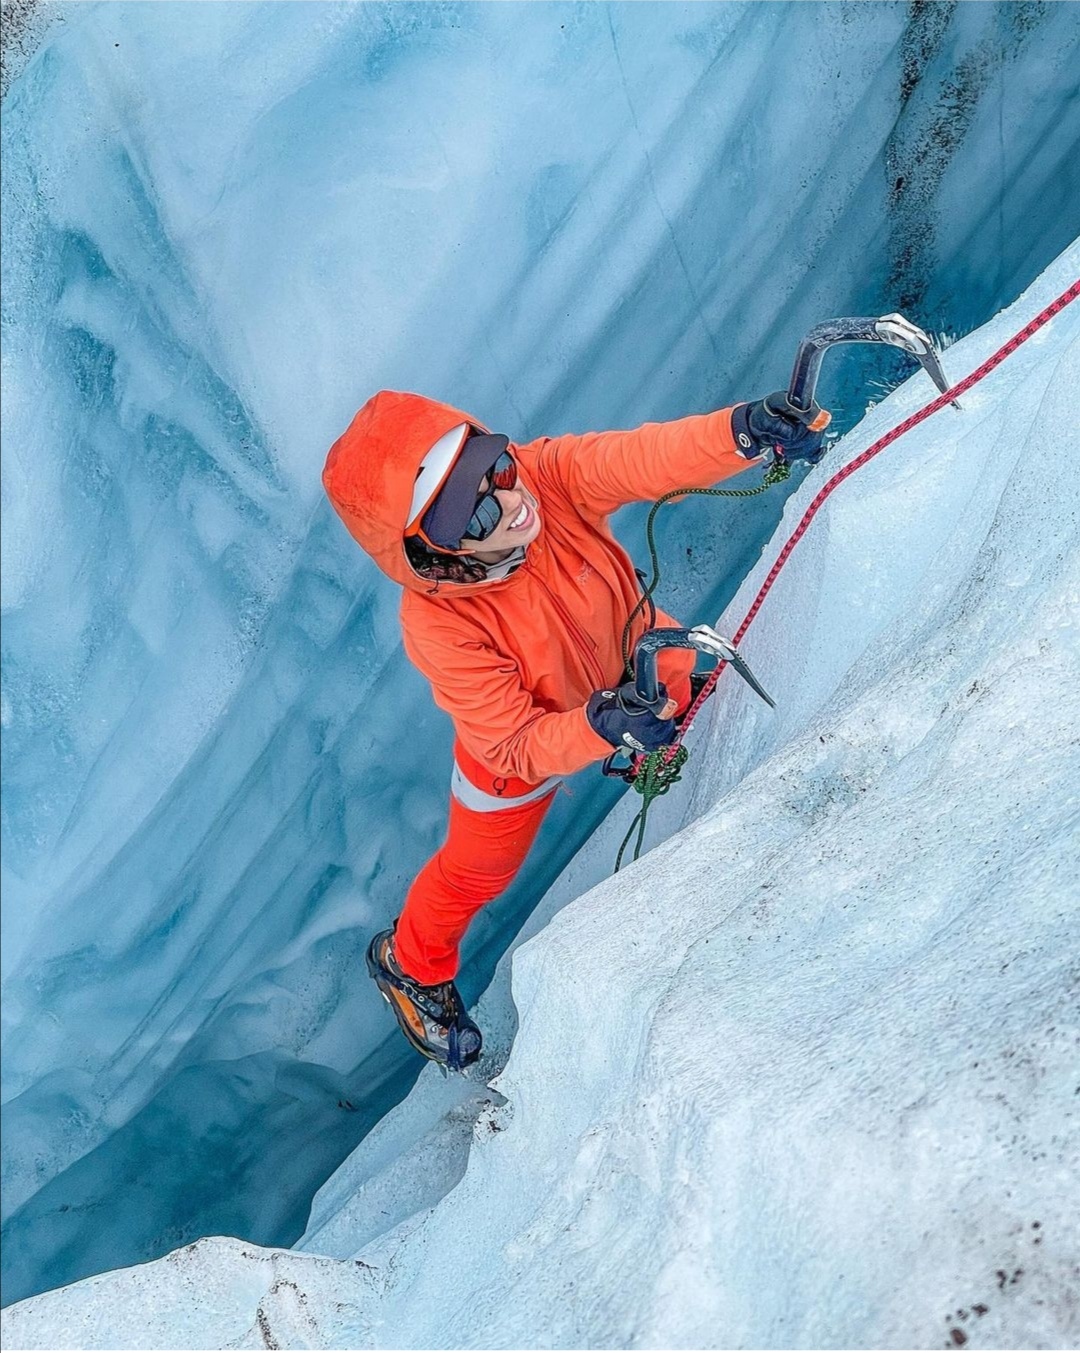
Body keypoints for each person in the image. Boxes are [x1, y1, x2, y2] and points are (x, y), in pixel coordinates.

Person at [322, 390, 826, 1069]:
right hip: (517, 754)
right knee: (476, 874)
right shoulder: (437, 625)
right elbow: (513, 743)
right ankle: (408, 963)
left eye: (491, 465)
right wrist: (600, 727)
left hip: (631, 664)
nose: (508, 497)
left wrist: (744, 431)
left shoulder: (546, 475)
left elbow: (645, 458)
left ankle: (665, 715)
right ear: (431, 554)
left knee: (664, 655)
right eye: (471, 510)